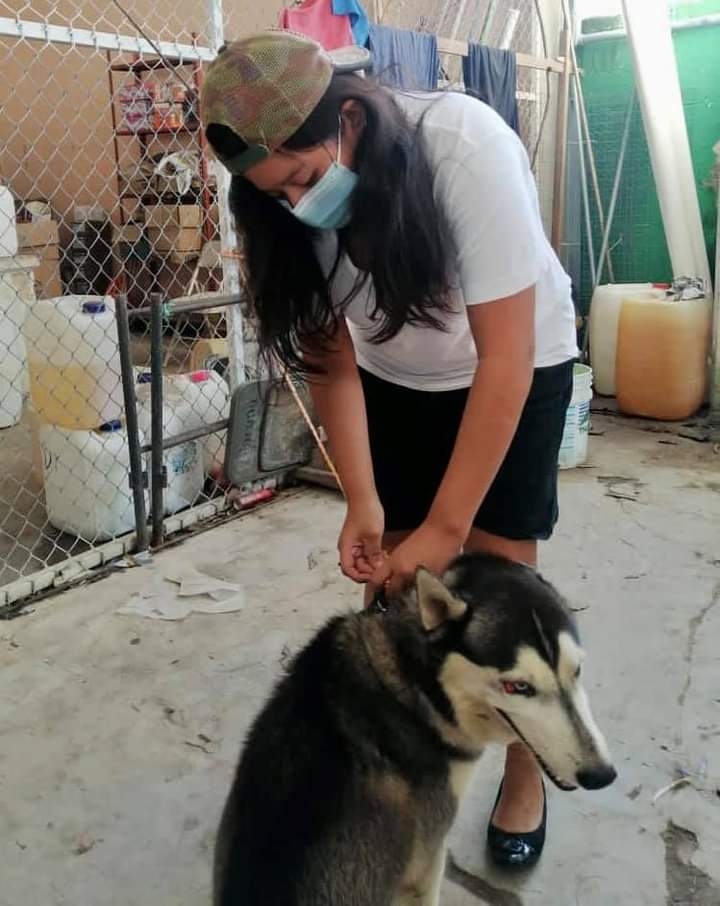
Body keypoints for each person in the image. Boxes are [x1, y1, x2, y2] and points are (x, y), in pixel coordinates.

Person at [201, 30, 578, 868]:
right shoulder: (281, 207)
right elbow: (331, 361)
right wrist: (365, 501)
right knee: (406, 600)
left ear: (350, 118)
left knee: (498, 578)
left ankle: (524, 774)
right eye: (274, 192)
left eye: (303, 177)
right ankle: (406, 775)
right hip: (399, 374)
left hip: (515, 363)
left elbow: (506, 361)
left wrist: (448, 526)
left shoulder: (461, 146)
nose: (297, 202)